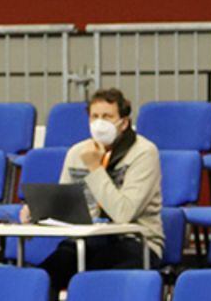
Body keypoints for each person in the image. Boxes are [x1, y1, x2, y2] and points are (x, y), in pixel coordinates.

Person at [23, 88, 164, 292]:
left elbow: (123, 213)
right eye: (94, 117)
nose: (100, 123)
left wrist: (95, 169)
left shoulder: (144, 153)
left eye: (107, 117)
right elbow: (64, 208)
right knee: (42, 279)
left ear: (123, 122)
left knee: (97, 282)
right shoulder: (77, 152)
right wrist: (37, 213)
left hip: (136, 243)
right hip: (86, 241)